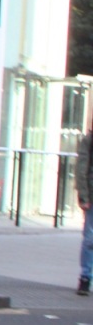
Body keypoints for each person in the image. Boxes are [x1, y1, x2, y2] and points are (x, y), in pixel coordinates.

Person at [74, 124, 93, 296]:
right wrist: (84, 196)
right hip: (92, 198)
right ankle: (85, 277)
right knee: (90, 239)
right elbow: (81, 169)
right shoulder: (88, 140)